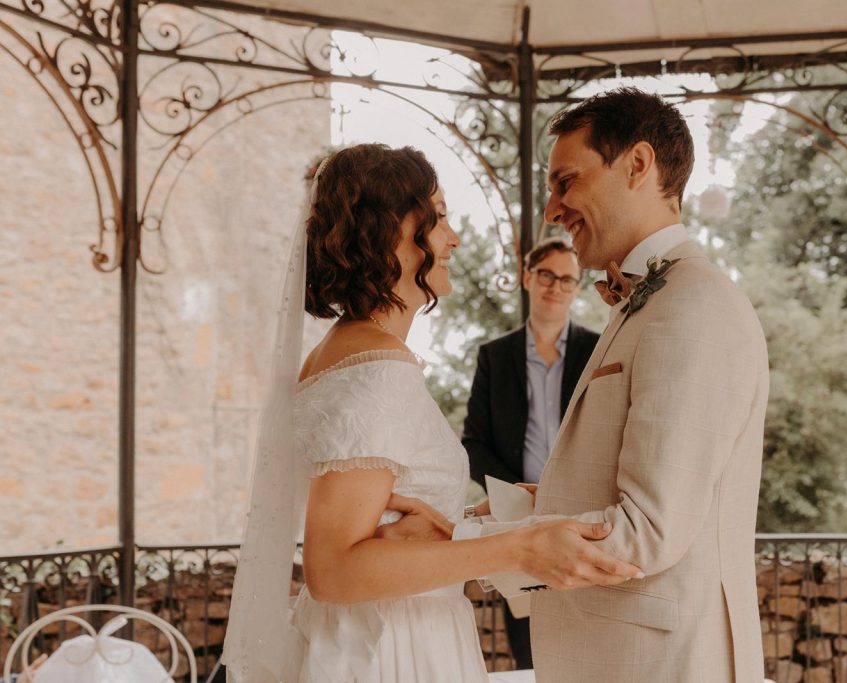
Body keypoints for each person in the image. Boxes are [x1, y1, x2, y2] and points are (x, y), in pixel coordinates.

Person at [222, 143, 642, 683]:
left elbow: (380, 526)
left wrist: (474, 521)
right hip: (392, 649)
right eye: (439, 217)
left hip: (381, 631)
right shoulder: (377, 369)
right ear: (389, 231)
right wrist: (518, 546)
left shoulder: (345, 349)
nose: (453, 238)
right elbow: (334, 569)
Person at [446, 88, 770, 681]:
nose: (551, 208)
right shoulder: (648, 300)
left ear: (638, 165)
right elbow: (599, 484)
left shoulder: (692, 306)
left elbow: (646, 531)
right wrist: (496, 517)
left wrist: (467, 544)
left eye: (565, 181)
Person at [462, 236, 598, 668]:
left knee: (588, 652)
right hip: (517, 523)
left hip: (583, 518)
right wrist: (513, 498)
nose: (555, 286)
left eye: (566, 279)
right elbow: (473, 443)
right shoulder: (493, 357)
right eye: (546, 275)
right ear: (527, 277)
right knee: (530, 656)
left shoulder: (598, 352)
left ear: (576, 287)